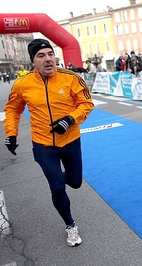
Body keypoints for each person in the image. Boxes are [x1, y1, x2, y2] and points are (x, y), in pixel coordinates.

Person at [3, 38, 94, 246]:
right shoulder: (23, 84)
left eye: (50, 54)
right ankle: (70, 225)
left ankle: (62, 179)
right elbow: (12, 109)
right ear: (32, 61)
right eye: (41, 56)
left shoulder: (71, 78)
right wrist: (11, 133)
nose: (48, 59)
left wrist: (70, 119)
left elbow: (86, 103)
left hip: (70, 140)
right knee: (56, 186)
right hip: (43, 144)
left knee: (75, 182)